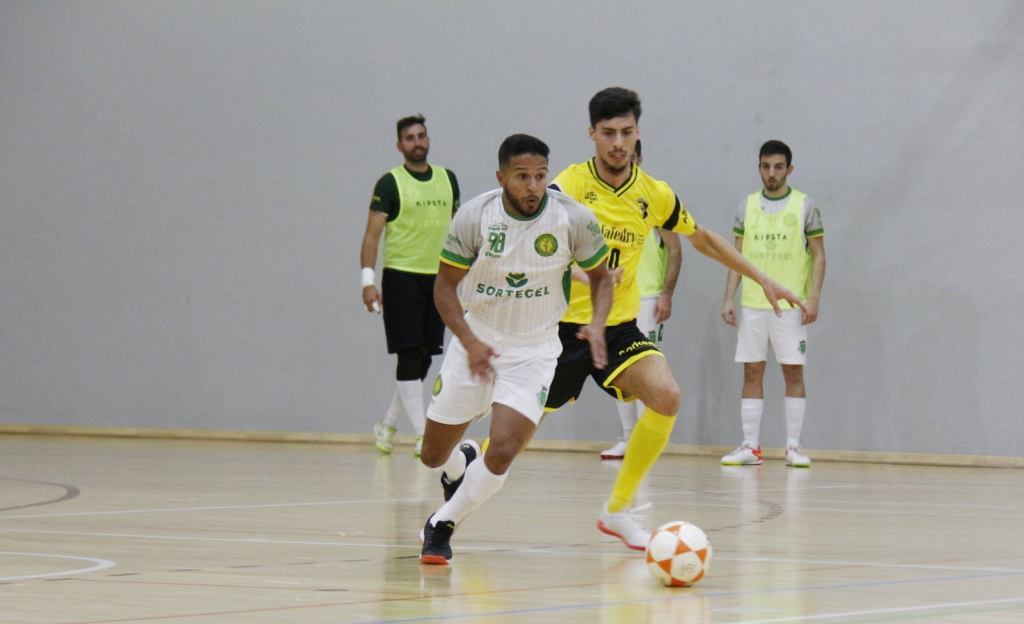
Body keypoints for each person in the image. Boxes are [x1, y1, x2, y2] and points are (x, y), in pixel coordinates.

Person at [546, 87, 806, 551]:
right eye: (608, 133)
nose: (618, 142)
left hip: (619, 326)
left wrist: (759, 277)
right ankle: (456, 492)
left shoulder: (653, 193)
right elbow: (540, 246)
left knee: (666, 395)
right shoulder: (567, 186)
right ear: (592, 135)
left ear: (638, 133)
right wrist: (587, 278)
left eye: (627, 132)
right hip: (561, 328)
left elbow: (701, 237)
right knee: (507, 440)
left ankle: (618, 509)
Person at [418, 134, 613, 565]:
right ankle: (457, 464)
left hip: (537, 350)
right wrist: (469, 342)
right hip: (478, 339)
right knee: (431, 455)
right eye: (522, 177)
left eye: (540, 177)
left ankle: (442, 524)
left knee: (503, 449)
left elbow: (602, 278)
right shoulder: (475, 217)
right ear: (501, 177)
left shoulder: (573, 219)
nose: (533, 186)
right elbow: (444, 289)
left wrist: (597, 323)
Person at [720, 140, 826, 468]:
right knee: (752, 371)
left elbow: (819, 254)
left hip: (791, 304)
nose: (771, 173)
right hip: (753, 303)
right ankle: (751, 447)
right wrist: (728, 298)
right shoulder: (746, 206)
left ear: (789, 169)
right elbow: (735, 257)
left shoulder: (806, 206)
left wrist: (814, 296)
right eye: (766, 166)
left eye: (778, 167)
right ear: (759, 168)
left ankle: (793, 447)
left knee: (793, 371)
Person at [359, 114, 460, 457]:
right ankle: (423, 435)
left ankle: (388, 424)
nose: (417, 142)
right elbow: (372, 236)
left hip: (439, 280)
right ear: (399, 145)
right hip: (401, 277)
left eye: (421, 136)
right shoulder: (390, 184)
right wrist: (368, 282)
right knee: (407, 353)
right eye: (409, 138)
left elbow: (459, 233)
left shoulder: (448, 180)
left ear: (428, 140)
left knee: (423, 358)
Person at [599, 140, 682, 460]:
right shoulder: (604, 197)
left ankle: (646, 439)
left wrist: (666, 294)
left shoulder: (655, 198)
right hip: (615, 298)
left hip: (647, 297)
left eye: (631, 155)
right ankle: (628, 437)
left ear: (639, 157)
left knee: (645, 371)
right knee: (618, 371)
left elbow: (675, 250)